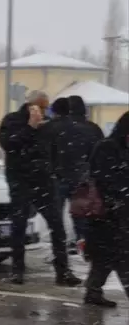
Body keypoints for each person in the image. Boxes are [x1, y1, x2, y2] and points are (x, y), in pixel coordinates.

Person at [0, 90, 80, 286]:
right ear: (31, 106)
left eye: (46, 108)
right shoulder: (13, 121)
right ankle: (17, 270)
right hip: (20, 179)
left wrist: (54, 171)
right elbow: (9, 144)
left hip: (44, 181)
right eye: (42, 107)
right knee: (19, 224)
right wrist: (30, 127)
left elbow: (53, 151)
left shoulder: (49, 126)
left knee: (57, 226)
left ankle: (63, 271)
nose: (45, 111)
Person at [82, 110, 129, 307]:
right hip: (107, 213)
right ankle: (93, 291)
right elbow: (104, 179)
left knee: (108, 256)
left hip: (118, 213)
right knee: (118, 254)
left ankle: (93, 291)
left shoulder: (119, 147)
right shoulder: (107, 147)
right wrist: (118, 198)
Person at [58, 94, 105, 251]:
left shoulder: (59, 127)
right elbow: (101, 153)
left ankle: (58, 243)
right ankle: (82, 241)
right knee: (81, 213)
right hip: (83, 178)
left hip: (58, 176)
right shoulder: (93, 128)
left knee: (55, 214)